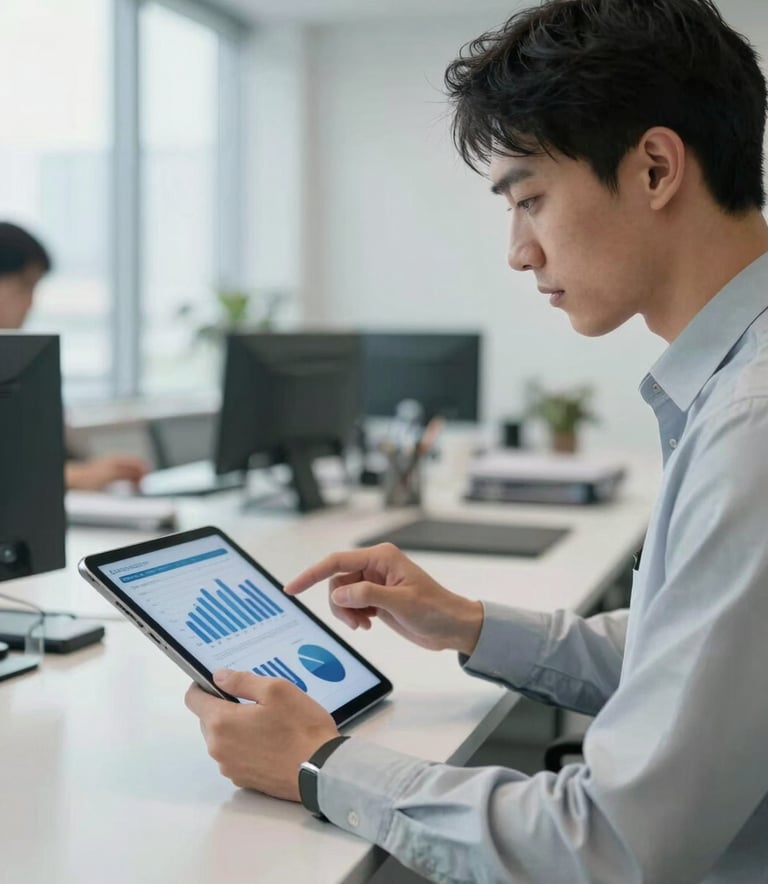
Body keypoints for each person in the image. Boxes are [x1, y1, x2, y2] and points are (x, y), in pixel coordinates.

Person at [184, 1, 768, 880]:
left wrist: (318, 765)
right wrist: (467, 624)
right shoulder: (736, 387)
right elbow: (689, 663)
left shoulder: (749, 422)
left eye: (529, 198)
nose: (518, 252)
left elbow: (610, 842)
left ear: (654, 168)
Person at [0, 221, 149, 491]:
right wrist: (77, 477)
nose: (31, 303)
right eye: (25, 287)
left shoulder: (22, 367)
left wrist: (91, 471)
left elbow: (47, 458)